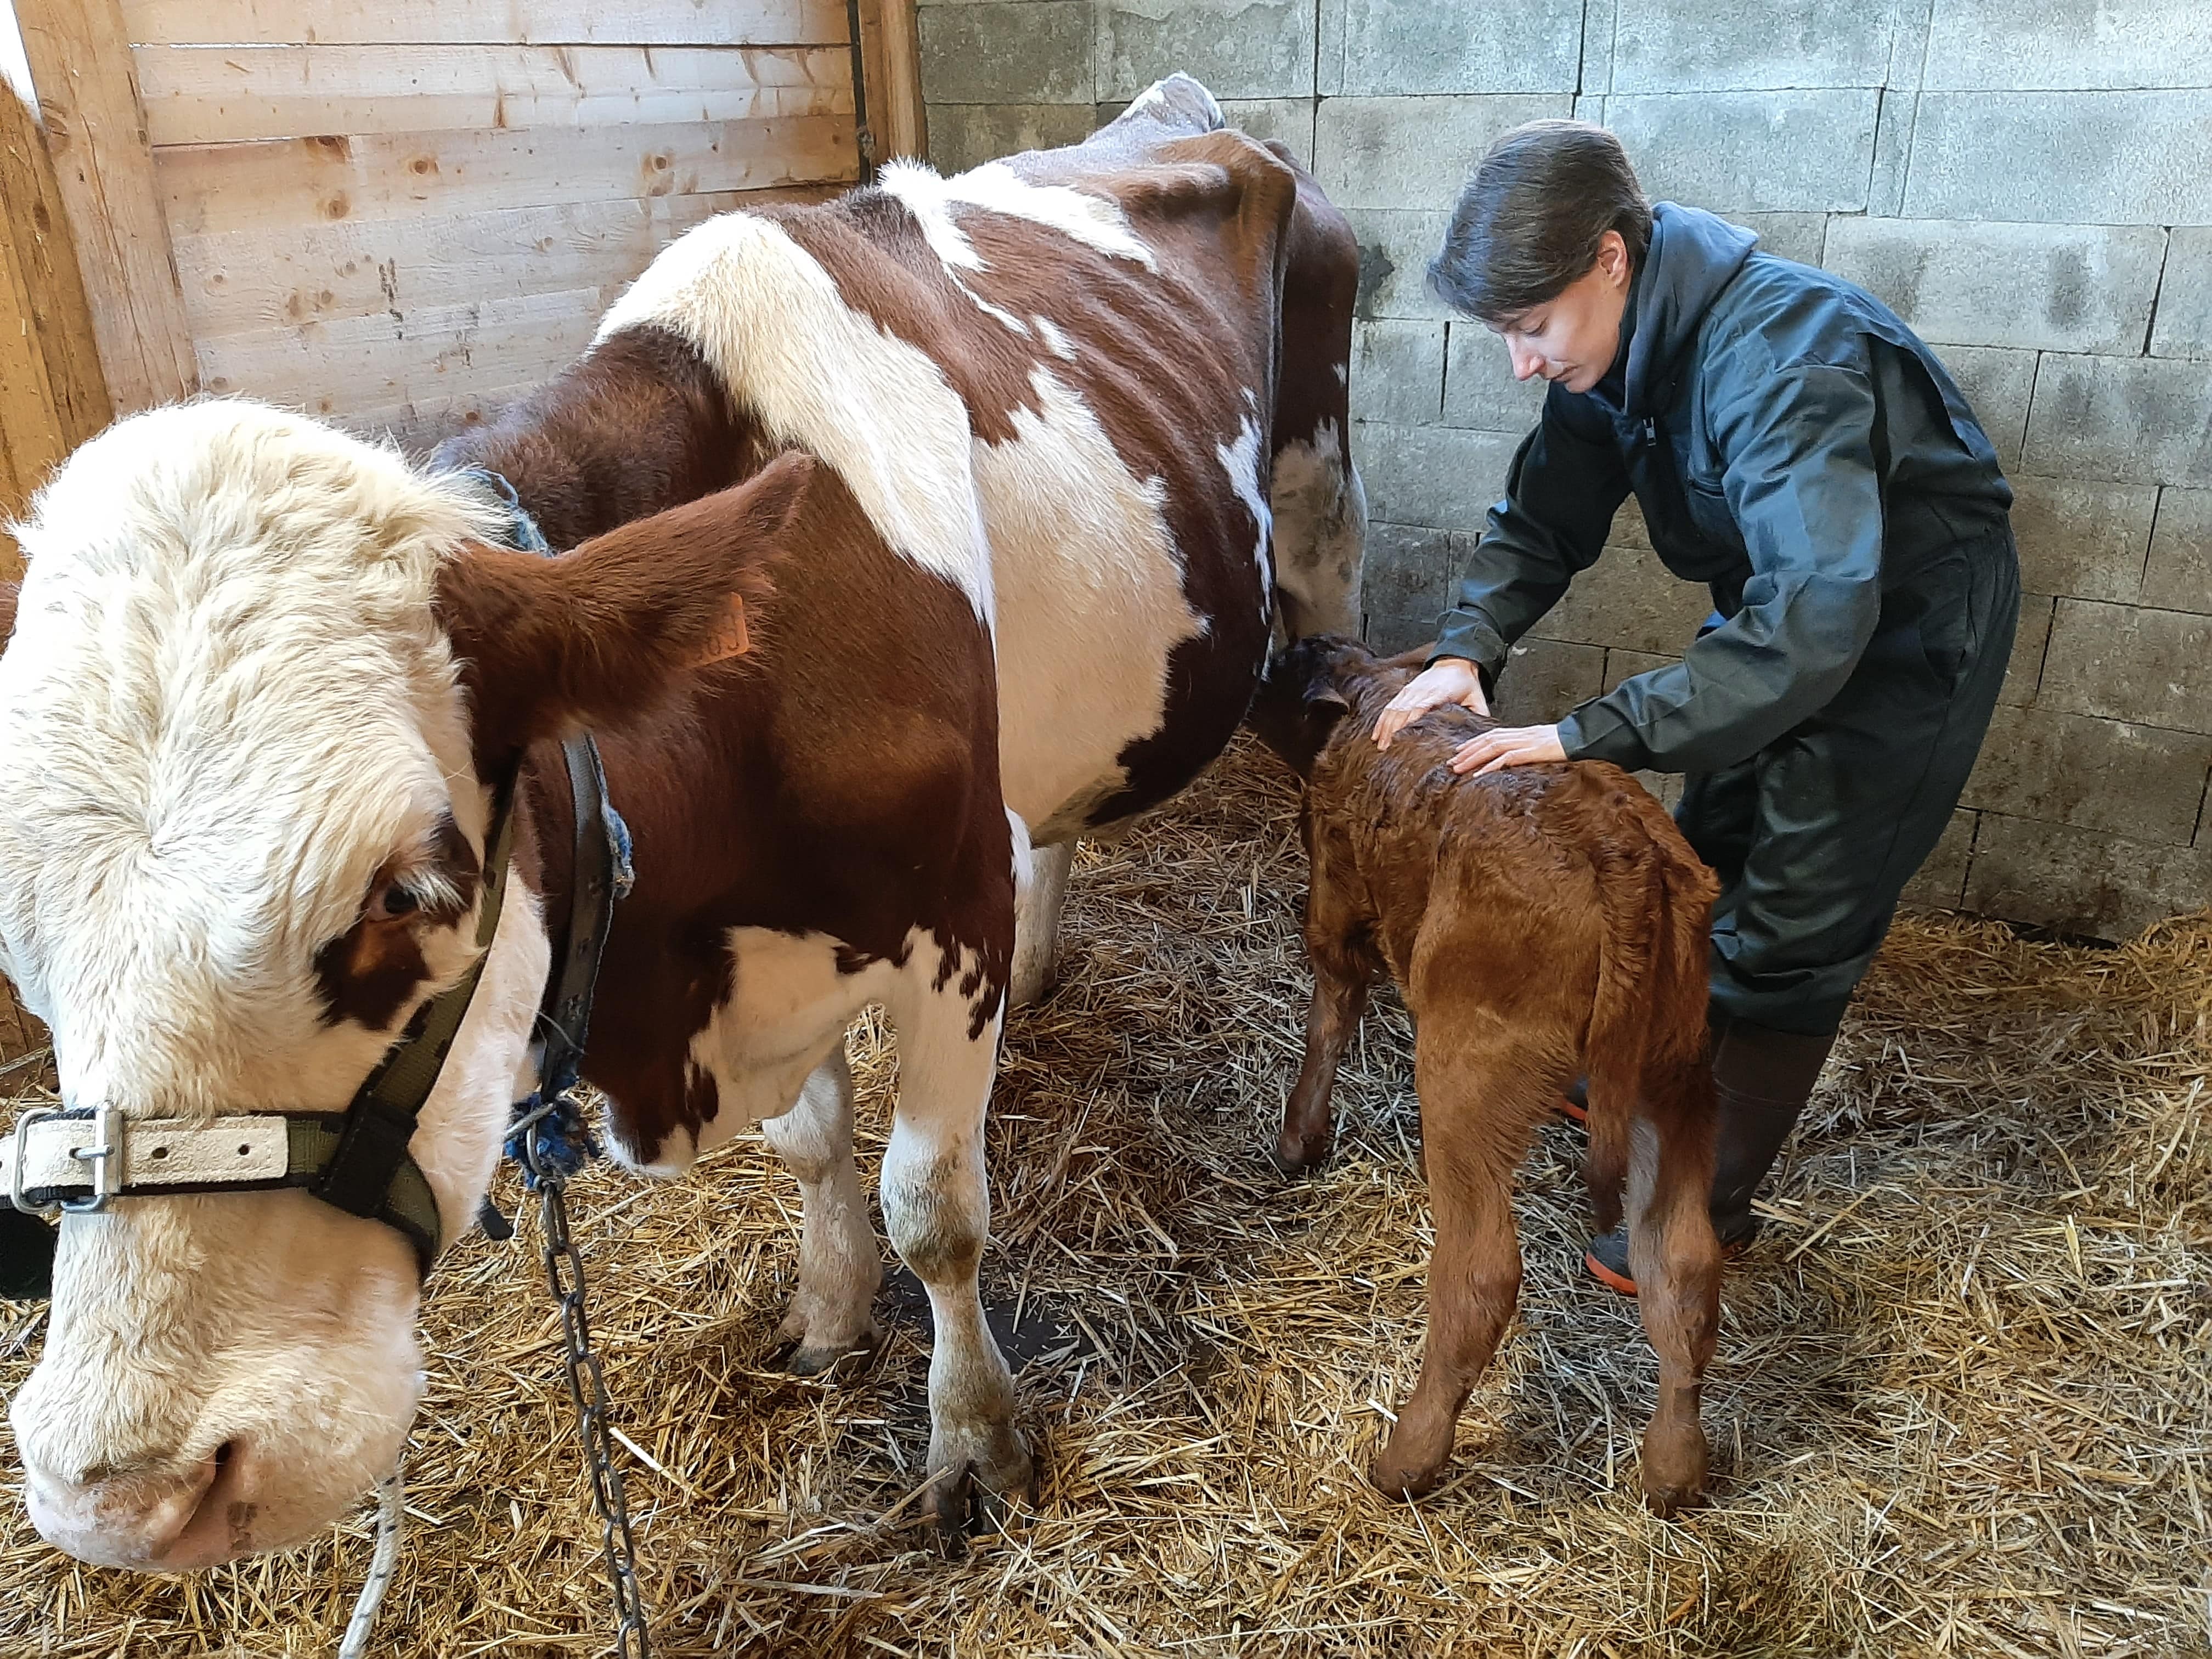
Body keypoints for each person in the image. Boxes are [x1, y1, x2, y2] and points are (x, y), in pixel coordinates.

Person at [1370, 120, 2019, 1294]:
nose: (1521, 361)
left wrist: (1585, 733)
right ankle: (1657, 1075)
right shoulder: (1613, 352)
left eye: (1529, 328)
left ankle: (1694, 1209)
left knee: (1798, 917)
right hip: (1787, 614)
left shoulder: (1783, 352)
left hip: (1906, 632)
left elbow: (1826, 619)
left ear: (1609, 258)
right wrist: (1467, 650)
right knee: (1708, 857)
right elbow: (1546, 513)